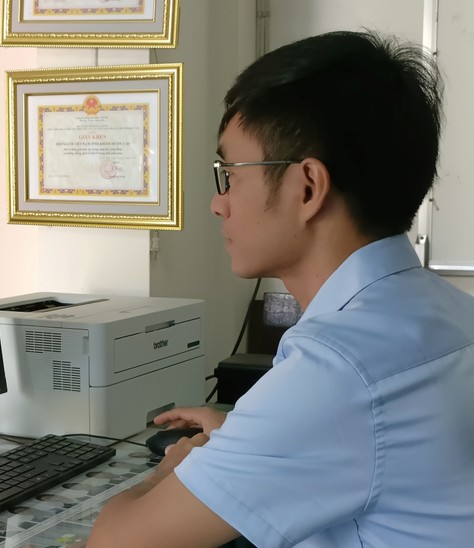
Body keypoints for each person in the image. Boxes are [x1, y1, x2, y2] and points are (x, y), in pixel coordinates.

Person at [87, 30, 474, 547]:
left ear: (307, 187)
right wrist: (246, 437)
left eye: (230, 174)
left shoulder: (337, 370)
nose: (218, 203)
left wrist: (177, 467)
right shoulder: (452, 313)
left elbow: (116, 542)